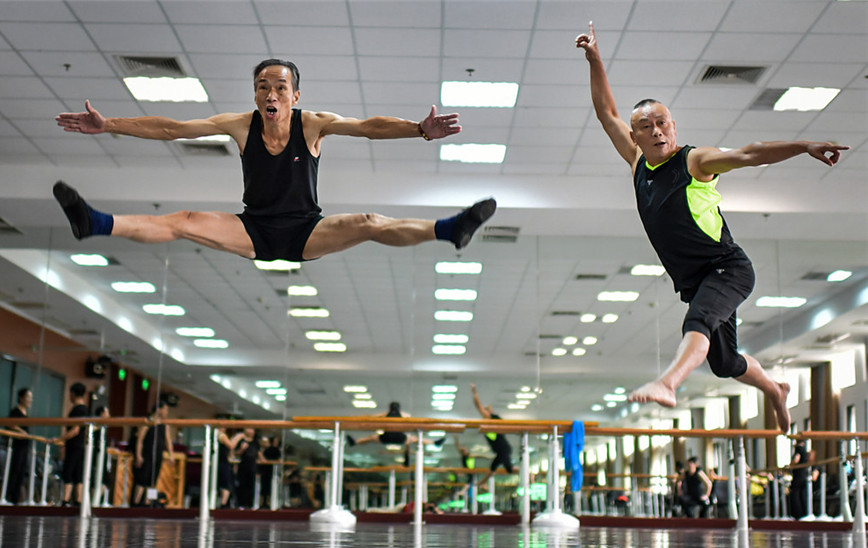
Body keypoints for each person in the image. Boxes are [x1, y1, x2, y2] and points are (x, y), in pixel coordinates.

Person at [576, 23, 850, 434]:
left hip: (728, 268)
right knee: (725, 364)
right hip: (699, 279)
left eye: (663, 122)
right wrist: (596, 60)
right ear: (635, 136)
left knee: (697, 323)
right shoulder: (637, 164)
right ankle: (775, 389)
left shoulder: (695, 162)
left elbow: (749, 154)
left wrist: (803, 145)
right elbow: (606, 113)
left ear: (674, 125)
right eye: (647, 127)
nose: (657, 131)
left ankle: (668, 382)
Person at [53, 59, 496, 265]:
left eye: (281, 87)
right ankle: (95, 223)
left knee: (367, 221)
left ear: (295, 96)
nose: (271, 94)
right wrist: (108, 123)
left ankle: (449, 229)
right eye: (263, 86)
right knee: (184, 219)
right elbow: (172, 129)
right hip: (254, 229)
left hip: (307, 230)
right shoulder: (240, 124)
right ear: (255, 94)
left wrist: (419, 130)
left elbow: (368, 127)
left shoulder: (314, 124)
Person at [346, 401, 444, 450]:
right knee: (415, 439)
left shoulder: (385, 414)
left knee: (371, 438)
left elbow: (370, 417)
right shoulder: (404, 415)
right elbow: (370, 417)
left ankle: (355, 442)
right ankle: (434, 443)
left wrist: (356, 418)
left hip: (388, 437)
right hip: (398, 437)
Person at [132, 400, 175, 507]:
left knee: (153, 480)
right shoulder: (147, 422)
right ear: (158, 409)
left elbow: (168, 441)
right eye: (165, 409)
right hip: (147, 454)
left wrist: (171, 455)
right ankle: (136, 503)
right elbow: (140, 440)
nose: (166, 412)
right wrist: (138, 455)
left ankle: (148, 502)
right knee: (142, 480)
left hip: (158, 455)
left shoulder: (165, 425)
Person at [59, 382, 89, 506]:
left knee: (68, 472)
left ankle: (65, 501)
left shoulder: (78, 410)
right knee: (78, 474)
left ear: (73, 394)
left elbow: (75, 430)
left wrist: (60, 439)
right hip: (81, 445)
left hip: (74, 445)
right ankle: (77, 502)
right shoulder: (86, 409)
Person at [5, 388, 33, 504]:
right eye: (28, 397)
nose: (30, 400)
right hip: (17, 445)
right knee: (15, 470)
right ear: (21, 398)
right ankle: (10, 496)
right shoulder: (15, 412)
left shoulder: (26, 414)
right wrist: (21, 432)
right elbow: (10, 424)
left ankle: (16, 498)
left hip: (25, 445)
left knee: (21, 471)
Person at [216, 427, 246, 508]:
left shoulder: (215, 435)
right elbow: (231, 446)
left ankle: (223, 502)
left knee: (223, 483)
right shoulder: (221, 435)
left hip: (219, 461)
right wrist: (238, 437)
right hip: (222, 462)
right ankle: (223, 503)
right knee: (226, 483)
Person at [234, 428, 259, 509]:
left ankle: (250, 503)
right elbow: (236, 453)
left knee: (251, 485)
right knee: (242, 484)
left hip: (252, 466)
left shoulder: (255, 442)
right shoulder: (241, 441)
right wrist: (242, 449)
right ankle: (241, 503)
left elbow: (258, 453)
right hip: (243, 465)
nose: (252, 431)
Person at [789, 438, 812, 519]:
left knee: (795, 494)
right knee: (802, 495)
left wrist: (790, 466)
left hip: (798, 475)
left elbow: (796, 459)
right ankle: (804, 513)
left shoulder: (799, 450)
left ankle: (798, 514)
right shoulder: (805, 451)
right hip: (803, 475)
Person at [258, 434, 282, 509]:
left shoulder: (275, 449)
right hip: (266, 469)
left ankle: (267, 502)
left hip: (272, 470)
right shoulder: (270, 449)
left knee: (269, 487)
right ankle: (264, 502)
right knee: (265, 487)